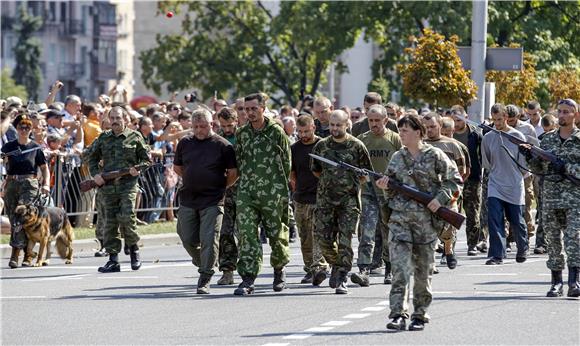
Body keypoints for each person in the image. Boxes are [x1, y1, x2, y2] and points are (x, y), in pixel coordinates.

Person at [376, 114, 462, 331]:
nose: (401, 134)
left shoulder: (435, 155)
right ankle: (398, 314)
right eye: (400, 130)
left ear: (418, 132)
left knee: (423, 273)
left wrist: (439, 199)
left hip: (426, 224)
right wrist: (385, 187)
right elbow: (390, 186)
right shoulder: (397, 157)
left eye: (405, 130)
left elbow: (455, 181)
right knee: (400, 271)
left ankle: (420, 315)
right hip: (400, 223)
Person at [173, 109, 237, 294]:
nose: (199, 130)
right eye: (195, 127)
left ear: (212, 125)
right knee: (186, 237)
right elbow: (178, 167)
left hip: (213, 200)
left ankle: (205, 276)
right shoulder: (185, 143)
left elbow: (233, 174)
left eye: (203, 126)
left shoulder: (223, 145)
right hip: (189, 198)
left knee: (209, 239)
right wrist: (195, 178)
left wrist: (218, 186)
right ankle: (203, 261)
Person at [520, 98, 580, 297]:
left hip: (574, 199)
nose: (562, 115)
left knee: (574, 239)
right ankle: (556, 282)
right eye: (560, 112)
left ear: (575, 115)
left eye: (566, 112)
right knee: (552, 240)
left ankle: (574, 281)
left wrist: (566, 167)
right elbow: (539, 169)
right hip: (550, 198)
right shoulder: (547, 140)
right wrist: (529, 157)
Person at [233, 93, 292, 295]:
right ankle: (248, 278)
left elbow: (287, 162)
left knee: (276, 233)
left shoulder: (276, 132)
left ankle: (279, 271)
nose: (249, 112)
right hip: (248, 192)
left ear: (262, 108)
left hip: (273, 192)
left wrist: (280, 190)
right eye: (245, 109)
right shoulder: (242, 134)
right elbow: (239, 161)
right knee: (247, 234)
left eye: (253, 108)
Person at [311, 109, 373, 294]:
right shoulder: (321, 146)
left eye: (339, 125)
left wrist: (351, 183)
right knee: (324, 240)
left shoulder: (357, 146)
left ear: (347, 125)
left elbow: (366, 174)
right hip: (325, 201)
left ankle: (342, 276)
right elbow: (316, 170)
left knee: (345, 241)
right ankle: (336, 265)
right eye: (332, 124)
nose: (335, 128)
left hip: (349, 202)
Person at [87, 106, 150, 273]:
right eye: (112, 118)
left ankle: (134, 250)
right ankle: (113, 259)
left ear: (126, 119)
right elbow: (90, 157)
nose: (115, 121)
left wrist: (138, 169)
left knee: (128, 217)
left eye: (118, 118)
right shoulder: (103, 138)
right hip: (107, 187)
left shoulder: (134, 137)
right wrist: (96, 175)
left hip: (128, 185)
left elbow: (147, 160)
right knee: (110, 222)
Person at [353, 104, 401, 287]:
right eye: (371, 120)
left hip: (389, 194)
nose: (374, 124)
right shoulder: (362, 140)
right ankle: (364, 268)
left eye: (377, 121)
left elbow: (404, 163)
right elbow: (355, 164)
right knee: (367, 231)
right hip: (368, 192)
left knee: (388, 231)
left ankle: (389, 267)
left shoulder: (395, 139)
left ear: (385, 120)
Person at [481, 103, 529, 265]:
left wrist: (515, 176)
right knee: (494, 219)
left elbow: (524, 165)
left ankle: (522, 247)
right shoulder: (488, 137)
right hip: (495, 184)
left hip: (514, 184)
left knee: (517, 221)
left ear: (506, 118)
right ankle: (497, 254)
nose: (497, 123)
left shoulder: (517, 137)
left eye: (500, 119)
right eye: (494, 120)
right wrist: (496, 173)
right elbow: (486, 162)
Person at [2, 114, 50, 268]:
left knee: (22, 216)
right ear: (16, 129)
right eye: (21, 127)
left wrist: (46, 184)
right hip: (12, 183)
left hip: (30, 183)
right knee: (14, 219)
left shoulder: (35, 147)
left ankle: (17, 254)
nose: (24, 130)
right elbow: (4, 163)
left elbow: (44, 168)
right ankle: (27, 252)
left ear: (31, 129)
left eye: (28, 127)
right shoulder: (9, 147)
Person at [422, 112, 467, 269]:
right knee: (428, 228)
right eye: (426, 127)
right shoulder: (420, 145)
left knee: (447, 228)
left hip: (448, 193)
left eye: (433, 126)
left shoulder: (452, 145)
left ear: (440, 126)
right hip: (427, 193)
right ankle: (431, 262)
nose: (430, 130)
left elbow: (463, 170)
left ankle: (448, 250)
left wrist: (454, 194)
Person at [290, 115, 329, 285]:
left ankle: (320, 267)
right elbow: (291, 172)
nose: (303, 134)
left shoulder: (322, 145)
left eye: (306, 131)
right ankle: (310, 269)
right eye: (300, 131)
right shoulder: (294, 148)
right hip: (300, 197)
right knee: (304, 236)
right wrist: (294, 187)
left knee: (317, 234)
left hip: (319, 198)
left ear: (313, 127)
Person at [450, 106, 484, 256]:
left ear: (466, 117)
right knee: (452, 212)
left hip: (472, 178)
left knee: (472, 212)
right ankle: (449, 245)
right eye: (454, 120)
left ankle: (472, 244)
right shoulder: (448, 135)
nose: (456, 124)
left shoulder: (475, 134)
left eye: (459, 120)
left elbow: (482, 155)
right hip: (452, 178)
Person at [215, 107, 240, 285]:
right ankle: (227, 270)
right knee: (225, 233)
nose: (227, 129)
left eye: (230, 125)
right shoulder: (216, 139)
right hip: (224, 191)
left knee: (246, 233)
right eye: (224, 125)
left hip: (244, 190)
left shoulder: (244, 137)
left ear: (236, 121)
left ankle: (249, 270)